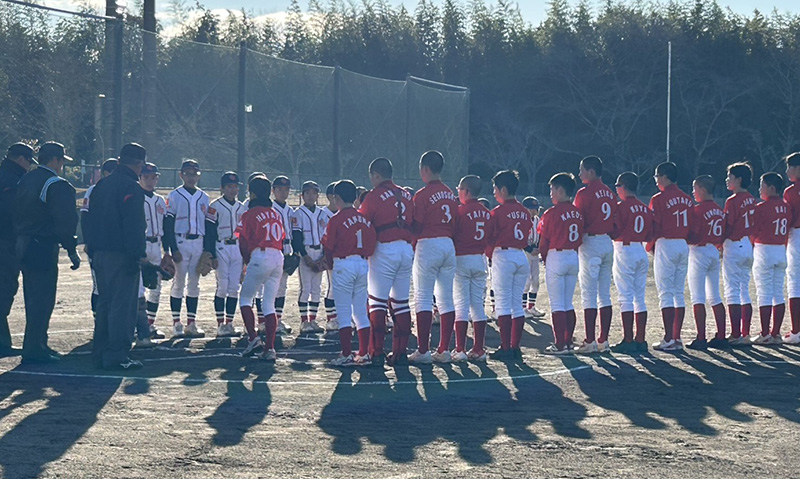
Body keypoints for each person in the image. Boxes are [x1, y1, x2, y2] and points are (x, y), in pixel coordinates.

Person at [14, 141, 80, 364]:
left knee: (32, 296)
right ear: (55, 160)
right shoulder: (55, 183)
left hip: (23, 242)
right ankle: (36, 346)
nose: (61, 166)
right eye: (61, 161)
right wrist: (72, 250)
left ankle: (36, 344)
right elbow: (65, 222)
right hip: (42, 245)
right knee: (43, 299)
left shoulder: (27, 178)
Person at [84, 143, 147, 370]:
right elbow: (134, 225)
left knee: (105, 304)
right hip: (120, 255)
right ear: (139, 164)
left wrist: (91, 249)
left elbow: (89, 219)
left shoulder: (102, 185)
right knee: (123, 307)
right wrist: (136, 255)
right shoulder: (131, 187)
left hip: (99, 252)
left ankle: (100, 351)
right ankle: (118, 355)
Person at [358, 157, 415, 366]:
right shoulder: (407, 195)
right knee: (401, 303)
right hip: (405, 248)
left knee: (377, 302)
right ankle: (400, 353)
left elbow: (362, 223)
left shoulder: (374, 195)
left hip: (384, 248)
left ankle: (377, 352)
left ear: (376, 175)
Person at [409, 151, 458, 364]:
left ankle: (423, 350)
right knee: (446, 298)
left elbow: (417, 225)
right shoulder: (450, 193)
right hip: (448, 243)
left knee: (423, 297)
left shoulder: (422, 194)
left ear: (426, 169)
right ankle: (444, 349)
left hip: (428, 243)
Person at [323, 180, 377, 366]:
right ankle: (364, 352)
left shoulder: (336, 219)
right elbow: (371, 244)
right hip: (362, 263)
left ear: (337, 198)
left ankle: (346, 353)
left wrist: (330, 265)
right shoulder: (364, 218)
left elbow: (328, 246)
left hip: (343, 263)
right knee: (361, 311)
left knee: (344, 312)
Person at [485, 170, 531, 360]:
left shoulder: (497, 212)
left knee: (503, 303)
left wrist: (489, 255)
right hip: (521, 255)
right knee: (517, 304)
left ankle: (505, 347)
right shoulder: (524, 211)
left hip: (504, 255)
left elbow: (490, 238)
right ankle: (515, 346)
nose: (494, 192)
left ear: (503, 189)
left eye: (496, 189)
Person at [238, 176, 285, 361]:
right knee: (268, 304)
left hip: (260, 254)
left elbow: (243, 240)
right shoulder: (275, 213)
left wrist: (247, 261)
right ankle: (270, 348)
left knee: (245, 299)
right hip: (277, 256)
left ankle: (252, 338)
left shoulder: (249, 213)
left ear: (253, 193)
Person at [573, 155, 616, 354]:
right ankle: (603, 340)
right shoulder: (608, 191)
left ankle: (589, 340)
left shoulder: (584, 193)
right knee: (604, 294)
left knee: (589, 294)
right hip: (607, 241)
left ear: (591, 171)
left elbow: (577, 219)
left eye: (582, 169)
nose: (579, 173)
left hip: (590, 242)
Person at [648, 161, 693, 351]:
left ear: (665, 177)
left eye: (658, 176)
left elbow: (654, 225)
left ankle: (668, 337)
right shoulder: (687, 198)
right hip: (682, 244)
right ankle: (676, 337)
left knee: (666, 293)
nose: (656, 180)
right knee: (678, 293)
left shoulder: (658, 198)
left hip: (666, 243)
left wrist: (650, 245)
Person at [164, 159, 211, 338]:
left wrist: (207, 250)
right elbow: (168, 223)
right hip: (181, 241)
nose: (191, 177)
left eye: (194, 173)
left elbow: (208, 226)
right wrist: (172, 248)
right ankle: (177, 324)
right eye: (188, 173)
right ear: (181, 175)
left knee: (194, 284)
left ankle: (191, 323)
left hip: (198, 242)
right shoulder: (174, 196)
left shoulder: (204, 197)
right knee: (179, 283)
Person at [539, 173, 584, 355]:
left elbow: (544, 240)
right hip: (573, 255)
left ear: (560, 190)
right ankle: (567, 341)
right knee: (567, 302)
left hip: (556, 255)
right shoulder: (578, 212)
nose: (551, 193)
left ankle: (559, 344)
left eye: (552, 189)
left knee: (557, 303)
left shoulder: (551, 212)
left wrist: (544, 257)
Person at [610, 172, 652, 354]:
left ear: (624, 187)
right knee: (639, 297)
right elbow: (650, 234)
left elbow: (615, 230)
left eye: (618, 186)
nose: (617, 189)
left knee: (625, 297)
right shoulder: (644, 207)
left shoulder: (622, 207)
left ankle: (628, 339)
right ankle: (640, 339)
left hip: (625, 249)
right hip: (640, 249)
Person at [0, 143, 36, 357]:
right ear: (21, 159)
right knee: (5, 287)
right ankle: (1, 342)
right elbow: (15, 212)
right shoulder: (11, 180)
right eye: (29, 161)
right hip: (6, 240)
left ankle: (3, 340)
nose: (30, 165)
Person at [452, 175, 491, 361]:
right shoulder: (485, 212)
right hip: (479, 258)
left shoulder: (460, 211)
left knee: (461, 305)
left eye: (459, 188)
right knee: (477, 305)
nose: (457, 191)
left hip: (462, 258)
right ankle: (479, 349)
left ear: (466, 191)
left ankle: (460, 349)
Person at [686, 175, 727, 350]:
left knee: (698, 297)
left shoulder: (698, 210)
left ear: (702, 189)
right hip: (713, 250)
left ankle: (701, 337)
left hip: (699, 250)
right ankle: (721, 335)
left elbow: (693, 234)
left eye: (695, 188)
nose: (693, 192)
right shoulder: (719, 209)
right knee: (715, 296)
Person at [751, 172, 791, 345]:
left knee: (764, 294)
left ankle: (765, 332)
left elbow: (754, 230)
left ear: (772, 188)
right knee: (778, 294)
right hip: (781, 249)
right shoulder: (787, 207)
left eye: (763, 186)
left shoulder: (762, 207)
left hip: (764, 249)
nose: (760, 189)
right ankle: (775, 333)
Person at [207, 172, 246, 337]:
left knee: (233, 287)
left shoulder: (241, 207)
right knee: (222, 286)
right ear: (222, 188)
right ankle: (220, 323)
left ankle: (229, 323)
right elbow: (209, 231)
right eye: (229, 186)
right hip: (221, 246)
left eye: (235, 186)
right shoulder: (214, 206)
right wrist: (211, 254)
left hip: (236, 247)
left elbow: (243, 232)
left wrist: (245, 255)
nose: (233, 189)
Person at [722, 162, 757, 346]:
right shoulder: (752, 198)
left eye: (730, 177)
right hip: (747, 243)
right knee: (744, 290)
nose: (728, 180)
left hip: (735, 244)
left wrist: (720, 242)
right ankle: (745, 333)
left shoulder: (732, 200)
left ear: (739, 179)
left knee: (732, 291)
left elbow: (728, 225)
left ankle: (736, 333)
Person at [81, 158, 118, 321]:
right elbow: (85, 217)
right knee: (99, 285)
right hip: (97, 244)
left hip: (113, 246)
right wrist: (88, 241)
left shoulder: (119, 189)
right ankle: (98, 319)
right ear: (105, 173)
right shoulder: (93, 190)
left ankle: (111, 318)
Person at [293, 181, 327, 334]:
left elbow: (326, 236)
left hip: (319, 251)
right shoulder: (297, 213)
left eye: (314, 193)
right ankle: (303, 321)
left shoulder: (323, 213)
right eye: (307, 193)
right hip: (306, 251)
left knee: (316, 288)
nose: (311, 196)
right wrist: (304, 256)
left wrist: (324, 256)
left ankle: (312, 320)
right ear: (302, 195)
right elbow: (296, 237)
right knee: (305, 288)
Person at [139, 162, 168, 339]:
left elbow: (166, 227)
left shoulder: (160, 200)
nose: (150, 181)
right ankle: (139, 326)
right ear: (140, 178)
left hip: (156, 245)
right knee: (139, 287)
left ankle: (150, 324)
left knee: (156, 287)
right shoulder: (136, 197)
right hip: (141, 244)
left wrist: (168, 251)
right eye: (146, 177)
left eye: (153, 177)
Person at [270, 176, 296, 335]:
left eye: (286, 189)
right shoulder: (270, 208)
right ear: (273, 191)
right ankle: (266, 320)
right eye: (280, 189)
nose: (283, 192)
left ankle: (278, 319)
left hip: (287, 248)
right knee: (270, 287)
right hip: (275, 248)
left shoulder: (290, 210)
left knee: (282, 287)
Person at [783, 152, 800, 345]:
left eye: (791, 167)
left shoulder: (790, 191)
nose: (788, 171)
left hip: (797, 234)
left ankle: (796, 330)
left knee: (795, 282)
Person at [521, 196, 544, 318]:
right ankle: (523, 308)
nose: (535, 211)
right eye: (532, 209)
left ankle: (531, 306)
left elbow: (540, 235)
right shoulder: (522, 220)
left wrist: (539, 247)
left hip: (534, 251)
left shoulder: (537, 220)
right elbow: (519, 238)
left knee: (535, 281)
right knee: (526, 281)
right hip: (525, 251)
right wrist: (529, 249)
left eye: (536, 208)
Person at [320, 182, 339, 332]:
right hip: (329, 253)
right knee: (332, 287)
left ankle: (338, 317)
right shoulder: (323, 214)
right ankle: (331, 319)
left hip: (343, 254)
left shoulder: (343, 213)